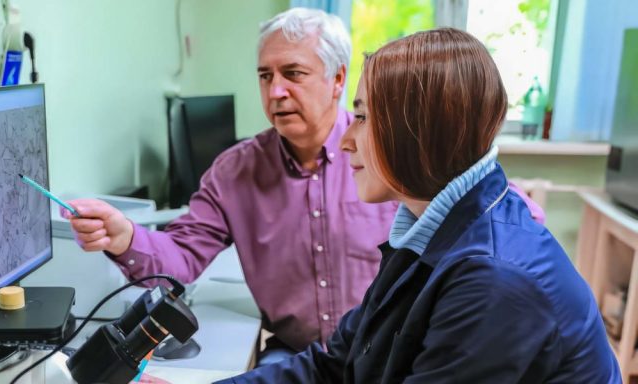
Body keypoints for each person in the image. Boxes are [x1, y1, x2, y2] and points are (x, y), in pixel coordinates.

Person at [62, 9, 544, 364]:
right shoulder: (235, 172)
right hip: (301, 353)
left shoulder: (389, 155)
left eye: (293, 74)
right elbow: (183, 258)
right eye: (265, 76)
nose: (276, 92)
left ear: (337, 80)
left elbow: (503, 224)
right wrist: (125, 237)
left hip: (392, 353)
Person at [216, 28, 620, 383]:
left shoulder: (493, 278)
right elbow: (336, 366)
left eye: (361, 117)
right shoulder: (424, 228)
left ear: (417, 131)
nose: (345, 140)